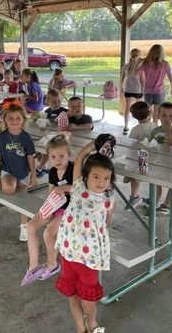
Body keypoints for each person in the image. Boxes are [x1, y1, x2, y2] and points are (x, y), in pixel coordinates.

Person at [55, 140, 115, 333]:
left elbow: (107, 222)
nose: (101, 182)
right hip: (68, 254)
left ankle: (92, 323)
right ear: (86, 177)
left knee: (88, 299)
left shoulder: (108, 198)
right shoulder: (78, 187)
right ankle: (80, 328)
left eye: (106, 178)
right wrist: (94, 144)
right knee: (72, 296)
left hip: (89, 259)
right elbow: (80, 157)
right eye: (96, 176)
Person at [21, 135, 73, 286]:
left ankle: (52, 264)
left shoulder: (73, 169)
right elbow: (51, 193)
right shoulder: (52, 172)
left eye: (62, 156)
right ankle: (33, 267)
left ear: (69, 155)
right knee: (31, 225)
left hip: (70, 210)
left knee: (48, 233)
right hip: (56, 206)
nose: (58, 160)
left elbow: (81, 189)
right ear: (48, 157)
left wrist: (63, 188)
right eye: (53, 157)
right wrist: (47, 209)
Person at [0, 101, 37, 241]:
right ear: (4, 119)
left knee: (22, 198)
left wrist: (33, 177)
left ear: (23, 120)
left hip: (23, 173)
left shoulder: (26, 137)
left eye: (18, 118)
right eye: (10, 118)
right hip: (8, 171)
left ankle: (24, 225)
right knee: (9, 189)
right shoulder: (2, 137)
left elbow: (30, 159)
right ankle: (13, 189)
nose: (14, 121)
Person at [147, 101, 172, 214]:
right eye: (164, 115)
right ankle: (153, 204)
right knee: (156, 184)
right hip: (157, 162)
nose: (167, 118)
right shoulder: (155, 131)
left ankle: (167, 204)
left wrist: (168, 132)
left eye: (171, 116)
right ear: (158, 116)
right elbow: (150, 145)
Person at [124, 101, 156, 209]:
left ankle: (134, 196)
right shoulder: (155, 127)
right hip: (154, 160)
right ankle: (154, 200)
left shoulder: (135, 129)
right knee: (154, 182)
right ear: (150, 113)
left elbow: (131, 145)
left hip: (139, 160)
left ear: (133, 116)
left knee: (134, 176)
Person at [141, 44, 172, 124]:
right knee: (157, 114)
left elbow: (136, 73)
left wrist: (138, 62)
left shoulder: (145, 63)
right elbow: (171, 79)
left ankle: (148, 128)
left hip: (147, 91)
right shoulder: (165, 64)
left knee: (148, 113)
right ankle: (155, 128)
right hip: (159, 92)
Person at [119, 48, 144, 134]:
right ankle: (140, 127)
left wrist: (122, 87)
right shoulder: (140, 67)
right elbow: (143, 80)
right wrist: (143, 89)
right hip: (137, 90)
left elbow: (122, 78)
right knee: (140, 109)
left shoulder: (126, 66)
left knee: (127, 109)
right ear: (139, 56)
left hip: (128, 90)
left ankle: (126, 127)